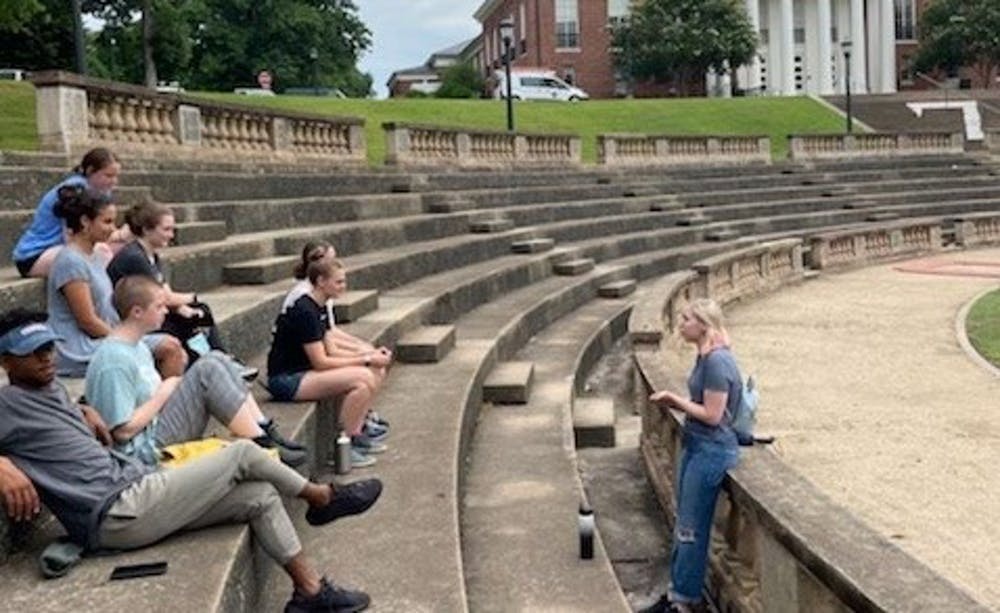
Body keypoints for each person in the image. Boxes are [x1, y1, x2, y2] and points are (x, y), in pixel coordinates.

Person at [0, 308, 382, 613]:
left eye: (48, 348)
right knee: (243, 452)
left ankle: (309, 592)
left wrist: (83, 408)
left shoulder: (48, 389)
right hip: (116, 510)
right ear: (5, 362)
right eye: (31, 353)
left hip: (133, 491)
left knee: (259, 494)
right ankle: (321, 498)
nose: (46, 358)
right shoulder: (6, 404)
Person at [86, 275, 305, 467]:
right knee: (207, 370)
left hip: (156, 428)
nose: (166, 311)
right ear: (137, 312)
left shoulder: (138, 346)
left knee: (216, 358)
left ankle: (263, 430)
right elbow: (122, 431)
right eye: (159, 306)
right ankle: (262, 445)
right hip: (143, 452)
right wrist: (164, 393)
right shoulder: (113, 360)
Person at [642, 298, 743, 613]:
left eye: (687, 319)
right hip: (698, 445)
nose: (681, 323)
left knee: (691, 528)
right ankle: (679, 592)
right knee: (685, 523)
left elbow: (713, 415)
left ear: (703, 325)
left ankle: (684, 601)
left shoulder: (716, 362)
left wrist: (675, 401)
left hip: (711, 450)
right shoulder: (706, 356)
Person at [106, 201, 257, 380]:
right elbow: (165, 297)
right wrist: (191, 298)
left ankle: (219, 362)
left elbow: (165, 291)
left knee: (196, 314)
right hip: (130, 318)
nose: (171, 235)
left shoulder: (151, 254)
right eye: (166, 229)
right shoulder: (134, 257)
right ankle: (217, 365)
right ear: (147, 230)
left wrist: (182, 307)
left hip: (148, 309)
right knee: (193, 314)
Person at [45, 185, 185, 377]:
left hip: (103, 337)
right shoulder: (71, 261)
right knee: (171, 348)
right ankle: (162, 405)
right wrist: (125, 338)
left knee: (173, 344)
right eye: (107, 222)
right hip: (78, 348)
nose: (113, 229)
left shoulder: (94, 254)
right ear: (85, 221)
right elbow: (87, 321)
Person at [268, 259, 391, 468]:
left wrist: (369, 354)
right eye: (339, 282)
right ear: (321, 281)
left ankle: (358, 431)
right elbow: (321, 361)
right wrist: (367, 358)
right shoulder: (305, 310)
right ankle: (345, 444)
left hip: (305, 372)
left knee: (374, 370)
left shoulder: (320, 306)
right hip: (287, 379)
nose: (344, 287)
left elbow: (332, 350)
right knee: (363, 379)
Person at [12, 148, 121, 278]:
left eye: (116, 176)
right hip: (35, 255)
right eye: (108, 175)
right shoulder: (74, 191)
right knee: (101, 253)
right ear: (90, 170)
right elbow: (72, 237)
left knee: (117, 247)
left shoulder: (99, 191)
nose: (114, 181)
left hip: (58, 248)